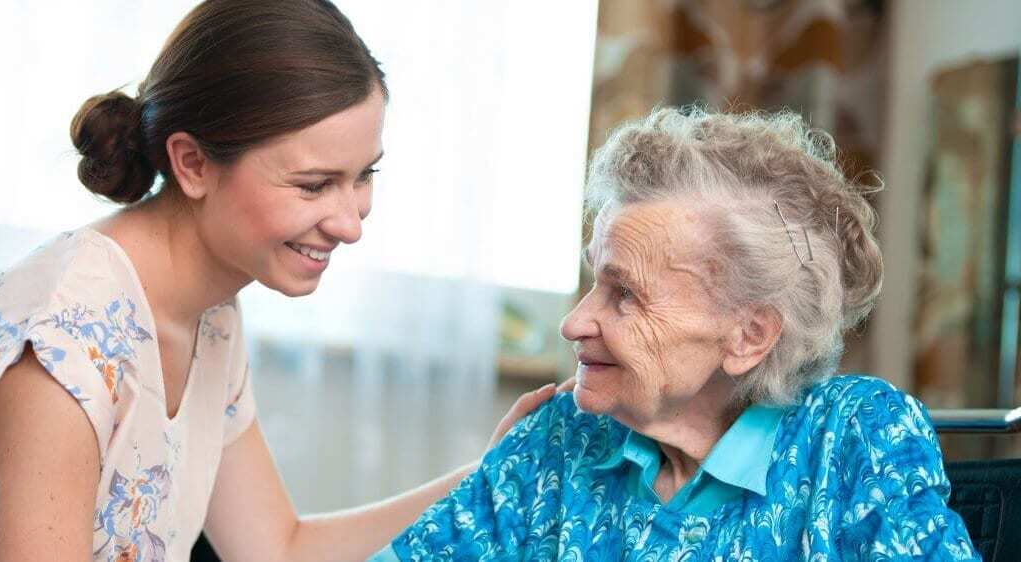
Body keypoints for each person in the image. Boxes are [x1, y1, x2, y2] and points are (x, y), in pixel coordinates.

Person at [0, 1, 557, 560]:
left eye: (363, 176)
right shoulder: (64, 345)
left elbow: (278, 549)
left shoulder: (208, 311)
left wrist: (493, 475)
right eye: (314, 185)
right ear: (191, 164)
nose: (350, 222)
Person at [374, 107, 980, 561]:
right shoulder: (562, 437)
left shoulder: (853, 438)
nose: (575, 323)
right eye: (594, 283)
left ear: (748, 336)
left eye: (626, 294)